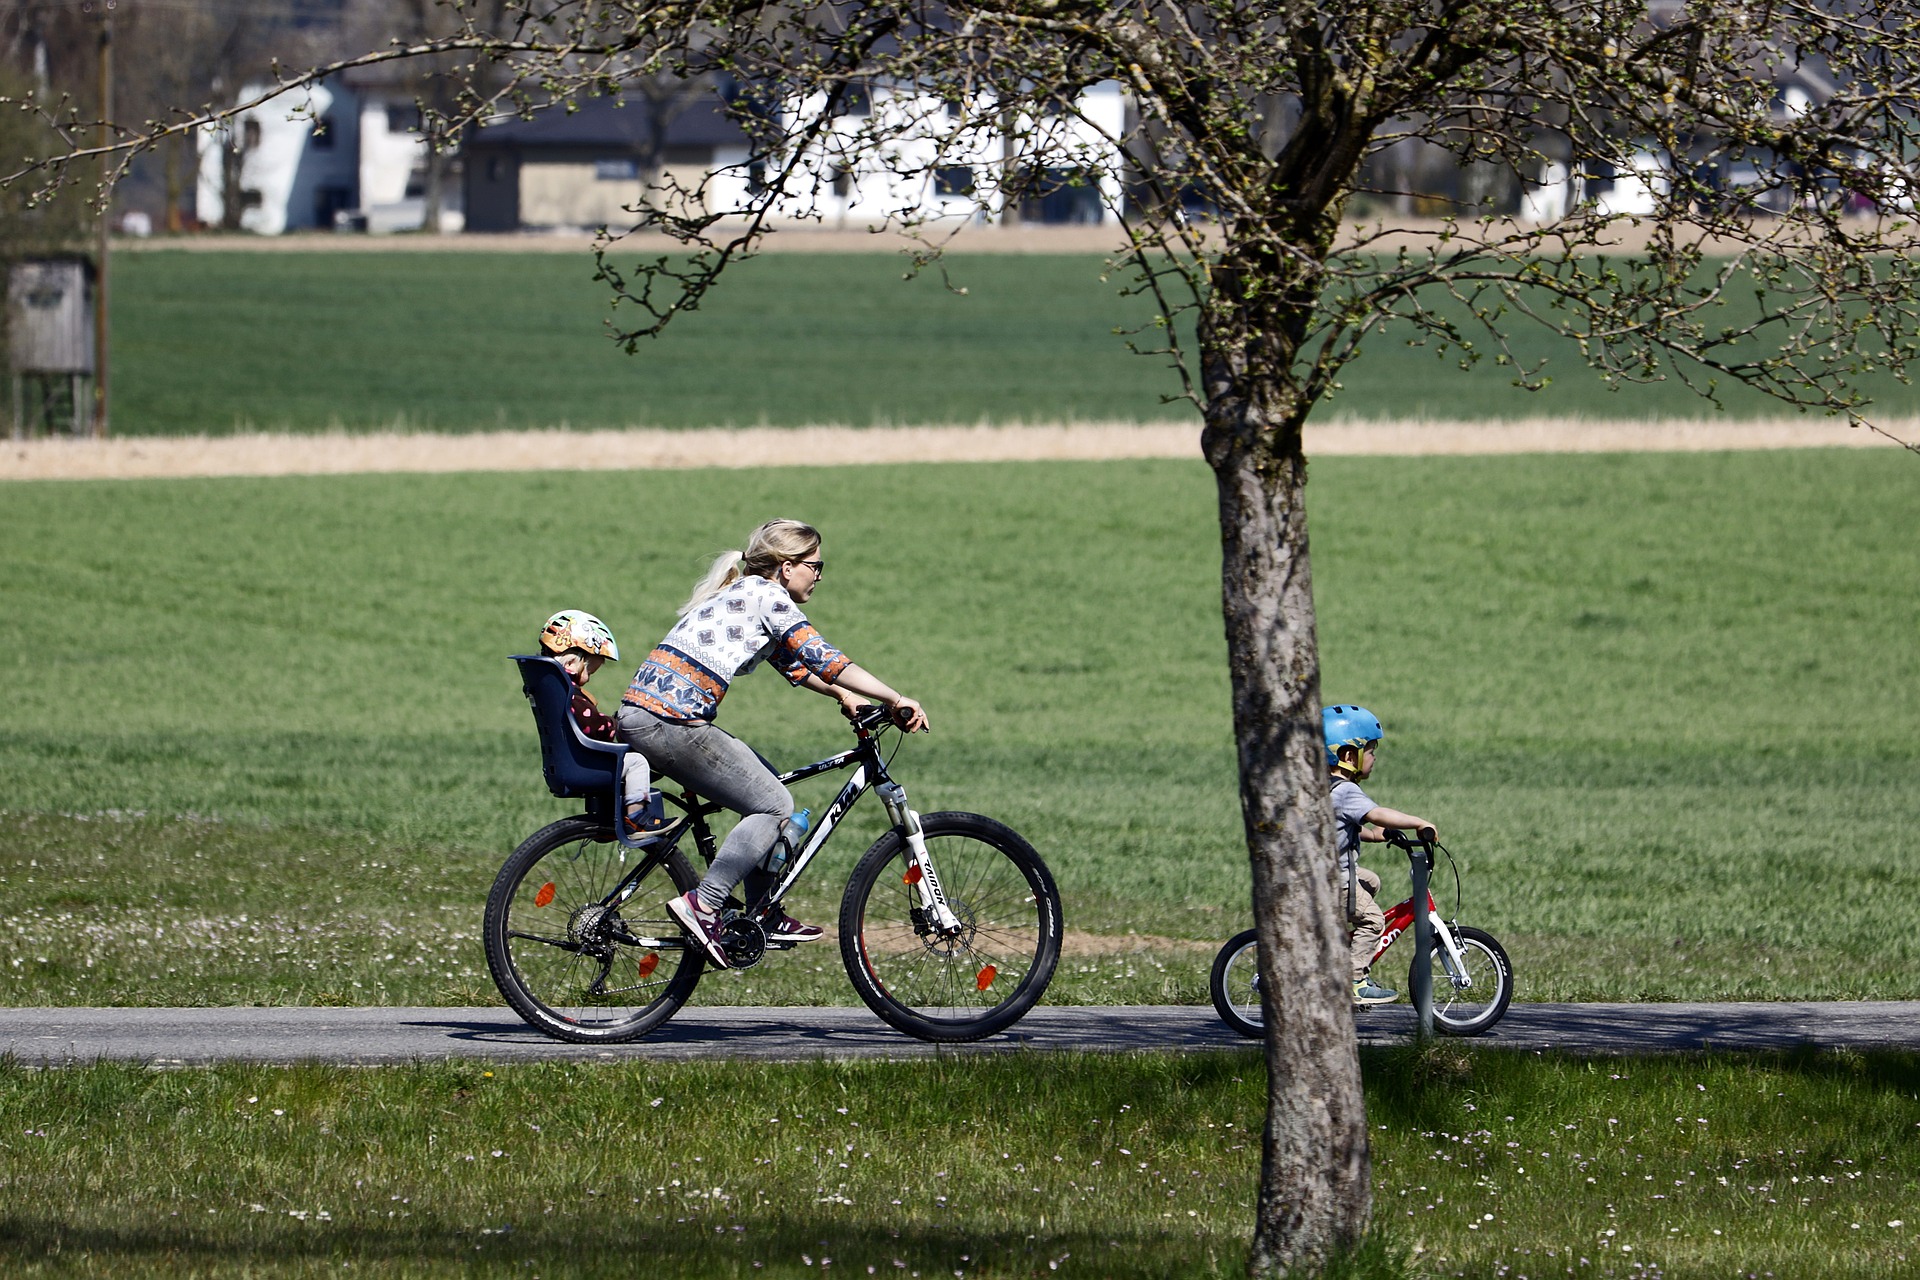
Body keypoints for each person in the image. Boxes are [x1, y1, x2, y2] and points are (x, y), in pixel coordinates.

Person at [617, 519, 928, 968]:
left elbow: (797, 665)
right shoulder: (768, 597)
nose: (819, 575)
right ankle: (704, 905)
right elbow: (823, 656)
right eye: (815, 566)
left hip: (647, 717)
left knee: (769, 786)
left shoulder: (742, 593)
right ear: (786, 567)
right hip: (670, 722)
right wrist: (895, 697)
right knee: (773, 806)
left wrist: (843, 695)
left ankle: (765, 911)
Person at [1324, 704, 1439, 1008]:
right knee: (1374, 920)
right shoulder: (1346, 791)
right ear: (1349, 756)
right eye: (1371, 750)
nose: (1374, 758)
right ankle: (1354, 981)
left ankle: (1337, 949)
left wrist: (1375, 835)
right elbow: (1377, 813)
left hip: (1323, 873)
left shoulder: (1324, 788)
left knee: (1371, 881)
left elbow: (1339, 827)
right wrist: (1418, 822)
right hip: (1337, 877)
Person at [538, 610, 665, 841]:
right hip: (585, 763)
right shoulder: (573, 696)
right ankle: (636, 818)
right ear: (573, 661)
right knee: (637, 762)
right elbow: (592, 727)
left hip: (572, 760)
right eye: (590, 670)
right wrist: (614, 725)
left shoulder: (556, 690)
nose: (589, 677)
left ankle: (614, 820)